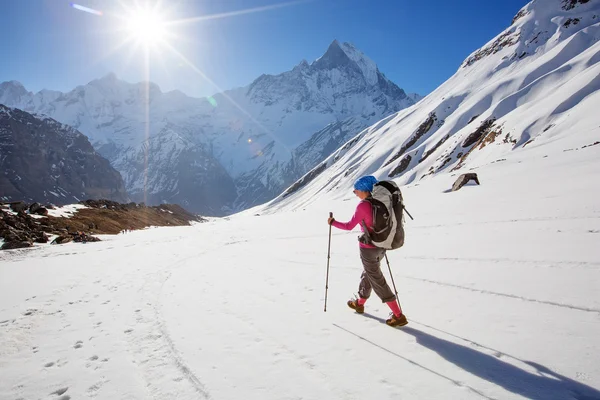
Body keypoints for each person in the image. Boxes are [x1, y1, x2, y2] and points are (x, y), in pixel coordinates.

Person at [327, 175, 408, 327]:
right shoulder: (382, 202)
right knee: (369, 273)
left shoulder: (364, 206)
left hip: (368, 248)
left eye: (356, 190)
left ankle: (398, 315)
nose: (355, 193)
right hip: (382, 244)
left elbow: (349, 226)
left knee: (376, 279)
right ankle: (360, 302)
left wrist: (333, 222)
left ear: (364, 190)